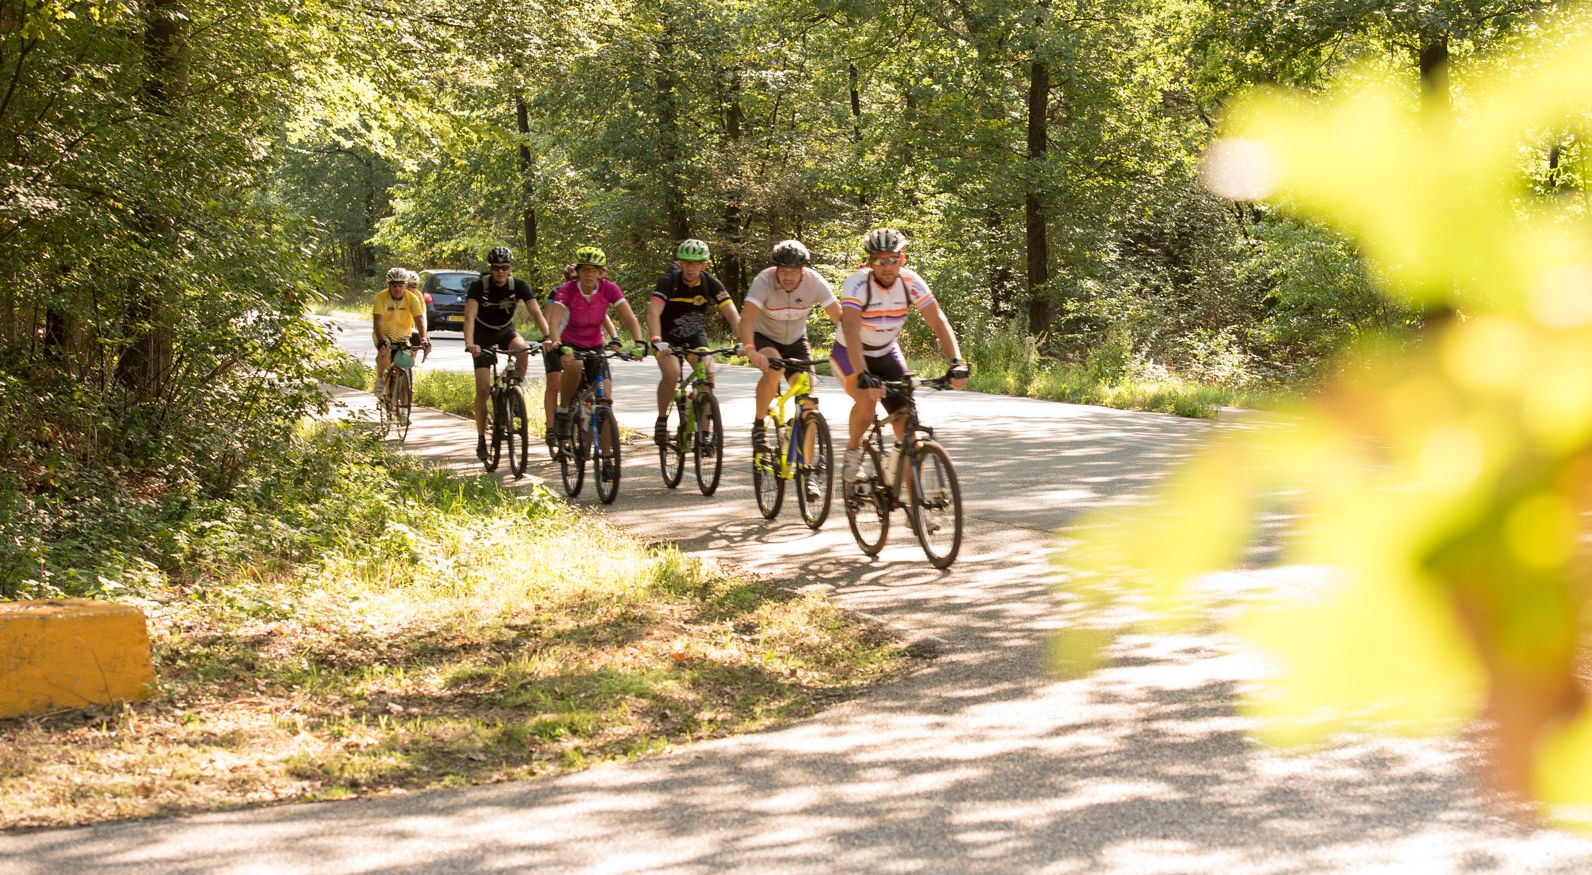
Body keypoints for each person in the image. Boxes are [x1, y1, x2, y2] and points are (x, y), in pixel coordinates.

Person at [831, 228, 967, 486]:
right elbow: (850, 330)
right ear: (870, 263)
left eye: (892, 259)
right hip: (850, 352)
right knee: (867, 400)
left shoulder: (911, 282)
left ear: (901, 259)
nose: (886, 266)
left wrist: (955, 362)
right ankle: (853, 451)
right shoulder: (857, 284)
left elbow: (938, 322)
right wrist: (864, 375)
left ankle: (917, 510)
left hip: (886, 352)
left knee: (908, 431)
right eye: (879, 261)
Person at [738, 239, 842, 452]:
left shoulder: (814, 282)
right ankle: (759, 424)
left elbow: (838, 317)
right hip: (765, 336)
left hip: (796, 340)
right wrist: (749, 348)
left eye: (793, 271)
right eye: (783, 271)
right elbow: (747, 319)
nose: (787, 276)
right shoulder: (763, 281)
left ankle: (809, 472)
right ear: (776, 269)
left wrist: (851, 347)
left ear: (802, 270)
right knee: (775, 368)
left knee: (809, 402)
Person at [543, 246, 649, 442]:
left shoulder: (610, 288)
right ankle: (564, 410)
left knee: (605, 401)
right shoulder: (567, 290)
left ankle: (608, 460)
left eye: (594, 270)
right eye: (585, 270)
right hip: (570, 343)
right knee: (574, 366)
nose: (589, 274)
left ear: (601, 272)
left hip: (595, 344)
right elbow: (554, 321)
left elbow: (630, 319)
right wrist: (557, 343)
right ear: (578, 271)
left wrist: (639, 343)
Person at [647, 238, 741, 445]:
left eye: (695, 263)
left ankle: (705, 432)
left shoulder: (711, 283)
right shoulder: (669, 281)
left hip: (694, 335)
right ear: (680, 263)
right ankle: (662, 419)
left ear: (704, 265)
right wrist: (656, 339)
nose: (690, 268)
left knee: (708, 369)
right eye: (686, 263)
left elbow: (732, 314)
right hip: (666, 337)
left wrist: (744, 342)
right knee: (672, 374)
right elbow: (653, 312)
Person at [464, 246, 546, 462]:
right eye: (496, 268)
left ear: (510, 269)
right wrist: (470, 343)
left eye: (505, 268)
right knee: (482, 389)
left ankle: (516, 388)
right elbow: (470, 317)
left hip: (505, 330)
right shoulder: (478, 286)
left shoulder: (518, 286)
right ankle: (482, 439)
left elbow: (536, 311)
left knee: (523, 348)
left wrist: (547, 335)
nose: (501, 272)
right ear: (491, 269)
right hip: (482, 335)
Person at [372, 266, 431, 397]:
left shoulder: (412, 298)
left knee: (405, 366)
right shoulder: (380, 297)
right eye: (394, 285)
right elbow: (377, 321)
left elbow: (420, 319)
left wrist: (424, 339)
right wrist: (381, 341)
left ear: (405, 284)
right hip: (383, 333)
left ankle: (404, 412)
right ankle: (380, 379)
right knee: (385, 353)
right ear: (388, 285)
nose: (397, 288)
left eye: (400, 285)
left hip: (403, 335)